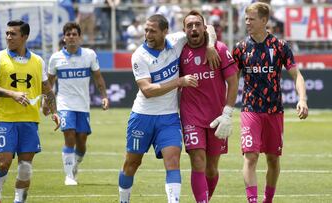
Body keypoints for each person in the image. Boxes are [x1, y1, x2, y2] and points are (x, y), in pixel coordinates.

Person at [118, 14, 220, 203]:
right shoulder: (139, 55)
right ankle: (124, 200)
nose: (147, 34)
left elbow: (210, 28)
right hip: (142, 116)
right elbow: (147, 90)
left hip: (169, 118)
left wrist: (211, 45)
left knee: (173, 162)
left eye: (152, 31)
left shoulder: (176, 40)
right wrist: (179, 82)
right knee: (132, 163)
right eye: (146, 30)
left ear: (165, 32)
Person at [232, 2, 308, 203]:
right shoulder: (240, 49)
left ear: (264, 21)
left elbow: (296, 75)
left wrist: (302, 99)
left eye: (252, 19)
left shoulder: (280, 46)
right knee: (251, 156)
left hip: (275, 111)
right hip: (250, 109)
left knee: (273, 159)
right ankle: (253, 201)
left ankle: (268, 200)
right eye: (246, 19)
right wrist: (224, 108)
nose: (247, 22)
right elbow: (231, 81)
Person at [0, 20, 60, 203]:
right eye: (7, 33)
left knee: (25, 168)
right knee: (4, 163)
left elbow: (47, 89)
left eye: (13, 34)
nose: (9, 37)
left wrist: (55, 111)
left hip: (29, 121)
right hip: (4, 119)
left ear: (25, 37)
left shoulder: (38, 61)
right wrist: (12, 94)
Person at [179, 10, 239, 203]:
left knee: (211, 168)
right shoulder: (179, 52)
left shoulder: (219, 49)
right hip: (191, 116)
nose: (194, 29)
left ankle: (207, 198)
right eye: (189, 25)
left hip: (216, 118)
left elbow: (233, 82)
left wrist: (228, 113)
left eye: (198, 24)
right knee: (197, 161)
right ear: (184, 30)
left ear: (204, 28)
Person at [44, 22, 109, 186]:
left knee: (81, 142)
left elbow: (98, 77)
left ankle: (75, 165)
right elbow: (49, 83)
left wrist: (104, 96)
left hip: (83, 105)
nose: (71, 37)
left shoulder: (89, 55)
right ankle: (69, 176)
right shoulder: (55, 58)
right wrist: (46, 101)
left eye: (74, 34)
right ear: (64, 38)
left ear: (79, 37)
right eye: (68, 34)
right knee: (69, 136)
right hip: (64, 104)